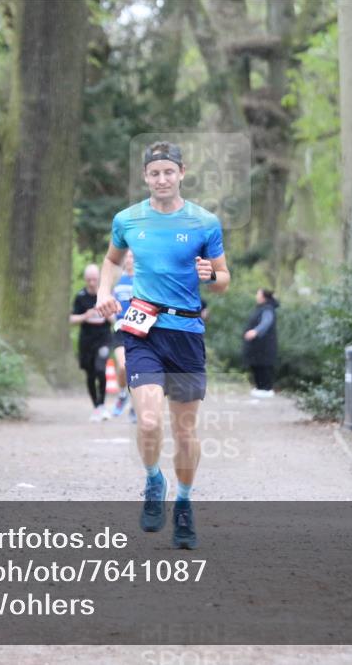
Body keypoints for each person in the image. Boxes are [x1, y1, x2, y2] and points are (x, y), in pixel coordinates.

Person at [95, 141, 230, 549]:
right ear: (145, 177)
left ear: (182, 173)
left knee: (185, 430)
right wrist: (105, 291)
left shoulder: (205, 222)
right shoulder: (128, 219)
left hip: (186, 334)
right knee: (150, 421)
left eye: (168, 172)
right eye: (154, 173)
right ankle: (154, 480)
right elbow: (112, 260)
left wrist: (212, 275)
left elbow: (223, 279)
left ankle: (184, 503)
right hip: (142, 329)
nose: (162, 179)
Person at [70, 264, 115, 422]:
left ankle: (102, 405)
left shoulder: (106, 296)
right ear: (85, 280)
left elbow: (116, 318)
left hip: (103, 338)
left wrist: (108, 315)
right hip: (86, 340)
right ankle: (96, 406)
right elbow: (71, 318)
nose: (91, 283)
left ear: (99, 279)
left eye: (94, 279)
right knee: (90, 373)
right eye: (89, 280)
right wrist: (85, 316)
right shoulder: (80, 296)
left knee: (100, 368)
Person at [110, 250, 136, 423]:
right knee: (122, 366)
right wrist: (112, 317)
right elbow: (110, 302)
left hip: (138, 329)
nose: (129, 260)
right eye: (126, 257)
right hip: (120, 328)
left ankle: (135, 406)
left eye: (132, 256)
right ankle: (121, 395)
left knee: (137, 370)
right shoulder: (117, 280)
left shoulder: (143, 279)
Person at [243, 288, 279, 398]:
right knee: (256, 365)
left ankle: (266, 388)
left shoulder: (268, 309)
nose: (256, 296)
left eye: (258, 294)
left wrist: (256, 331)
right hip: (257, 345)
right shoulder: (260, 308)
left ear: (264, 297)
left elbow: (266, 322)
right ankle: (259, 387)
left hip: (265, 345)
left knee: (264, 366)